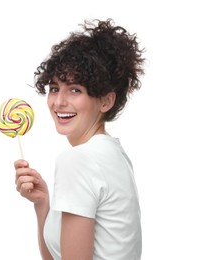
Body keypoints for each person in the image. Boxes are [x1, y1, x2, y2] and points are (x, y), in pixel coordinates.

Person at [14, 18, 145, 260]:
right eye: (54, 88)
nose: (59, 102)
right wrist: (42, 203)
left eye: (75, 90)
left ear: (106, 101)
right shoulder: (114, 153)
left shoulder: (77, 160)